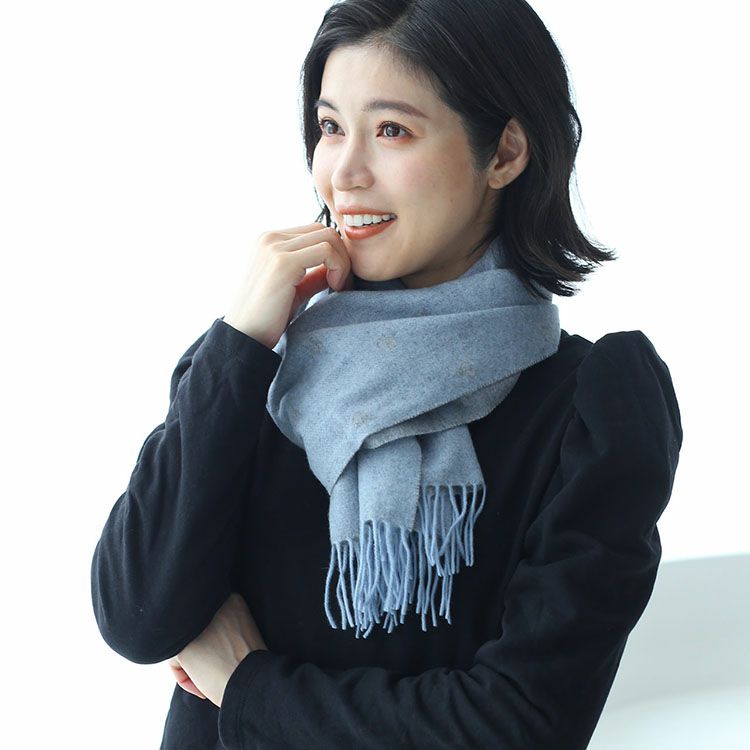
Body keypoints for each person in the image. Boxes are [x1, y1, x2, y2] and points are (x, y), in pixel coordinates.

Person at [90, 1, 683, 748]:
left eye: (392, 130)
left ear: (504, 153)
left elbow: (518, 726)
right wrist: (239, 338)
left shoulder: (589, 408)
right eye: (331, 127)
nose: (344, 173)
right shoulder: (261, 368)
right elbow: (139, 617)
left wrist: (248, 688)